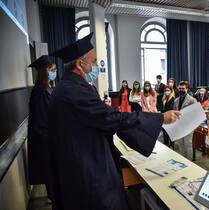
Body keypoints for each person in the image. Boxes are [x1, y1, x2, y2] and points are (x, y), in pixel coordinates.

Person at [50, 32, 181, 210]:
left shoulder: (68, 86)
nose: (97, 66)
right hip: (87, 168)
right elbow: (110, 118)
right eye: (94, 61)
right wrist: (160, 118)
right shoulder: (74, 91)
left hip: (82, 159)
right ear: (81, 64)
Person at [27, 55, 57, 203]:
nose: (54, 72)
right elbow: (41, 118)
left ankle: (53, 195)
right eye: (52, 70)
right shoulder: (40, 91)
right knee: (48, 168)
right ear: (45, 71)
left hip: (48, 134)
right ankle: (53, 196)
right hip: (44, 137)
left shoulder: (47, 88)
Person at [173, 81, 197, 157]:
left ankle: (189, 163)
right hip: (179, 125)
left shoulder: (192, 100)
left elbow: (195, 114)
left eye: (183, 88)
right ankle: (183, 161)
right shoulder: (176, 100)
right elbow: (174, 112)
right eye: (180, 88)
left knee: (187, 144)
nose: (181, 90)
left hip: (188, 126)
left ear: (187, 89)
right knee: (180, 144)